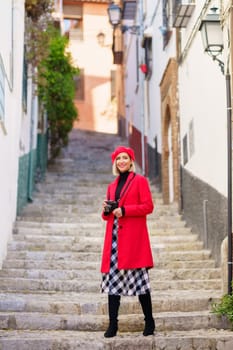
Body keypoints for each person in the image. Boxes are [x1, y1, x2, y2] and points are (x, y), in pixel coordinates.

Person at [100, 145, 155, 338]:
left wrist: (125, 210)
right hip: (114, 240)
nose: (121, 161)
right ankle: (113, 325)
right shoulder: (111, 186)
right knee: (112, 285)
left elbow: (148, 206)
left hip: (133, 241)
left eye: (125, 158)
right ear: (115, 163)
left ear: (131, 161)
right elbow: (107, 217)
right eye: (118, 159)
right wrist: (107, 210)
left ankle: (149, 322)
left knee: (141, 283)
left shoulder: (140, 181)